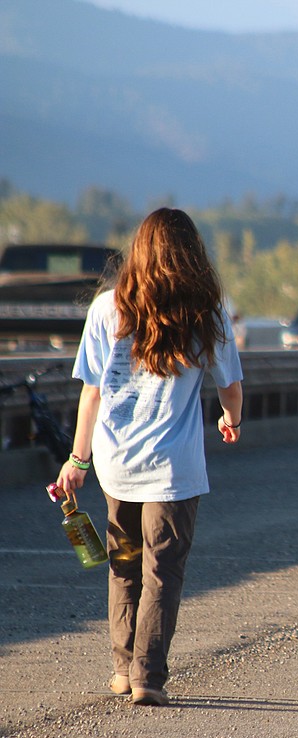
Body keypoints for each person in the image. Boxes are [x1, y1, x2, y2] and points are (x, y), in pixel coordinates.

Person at [54, 208, 244, 706]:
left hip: (116, 466)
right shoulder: (206, 311)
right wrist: (231, 420)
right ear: (193, 255)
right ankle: (148, 677)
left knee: (123, 565)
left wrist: (77, 461)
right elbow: (231, 388)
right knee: (164, 570)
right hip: (173, 470)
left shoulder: (106, 309)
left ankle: (122, 669)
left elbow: (91, 394)